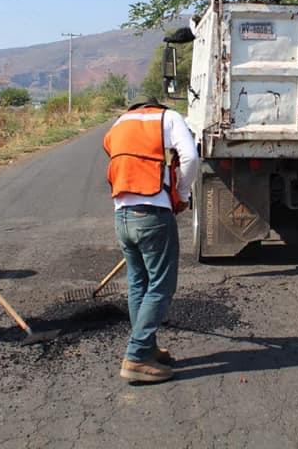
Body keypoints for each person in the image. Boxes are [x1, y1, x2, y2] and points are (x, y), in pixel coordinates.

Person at [103, 95, 199, 383]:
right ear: (157, 105)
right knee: (161, 285)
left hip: (122, 215)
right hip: (153, 215)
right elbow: (191, 157)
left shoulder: (120, 123)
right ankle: (136, 356)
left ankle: (148, 346)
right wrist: (181, 195)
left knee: (138, 283)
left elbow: (113, 154)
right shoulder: (168, 118)